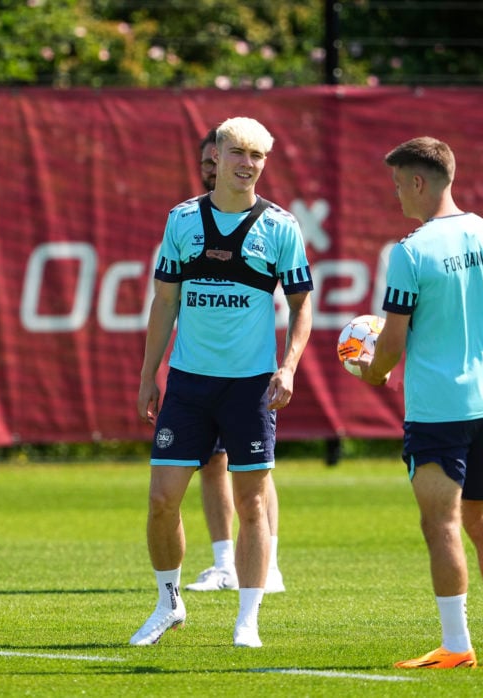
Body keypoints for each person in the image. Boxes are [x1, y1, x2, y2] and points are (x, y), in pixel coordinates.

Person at [133, 117, 313, 647]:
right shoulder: (182, 221)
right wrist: (150, 374)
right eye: (237, 151)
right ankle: (168, 604)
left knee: (252, 503)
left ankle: (248, 619)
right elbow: (164, 301)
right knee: (162, 500)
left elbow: (302, 306)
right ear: (216, 154)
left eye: (257, 155)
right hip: (188, 384)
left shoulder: (281, 226)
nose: (246, 163)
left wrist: (289, 366)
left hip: (250, 387)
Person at [355, 136, 483, 668]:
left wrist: (373, 371)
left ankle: (457, 646)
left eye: (397, 186)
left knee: (442, 525)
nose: (397, 198)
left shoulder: (411, 251)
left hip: (438, 411)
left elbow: (392, 340)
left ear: (418, 181)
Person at [185, 128, 285, 595]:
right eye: (212, 161)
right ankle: (224, 560)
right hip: (201, 372)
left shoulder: (271, 224)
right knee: (212, 463)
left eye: (252, 155)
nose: (215, 168)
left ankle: (270, 559)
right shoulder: (189, 218)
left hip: (247, 368)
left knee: (255, 473)